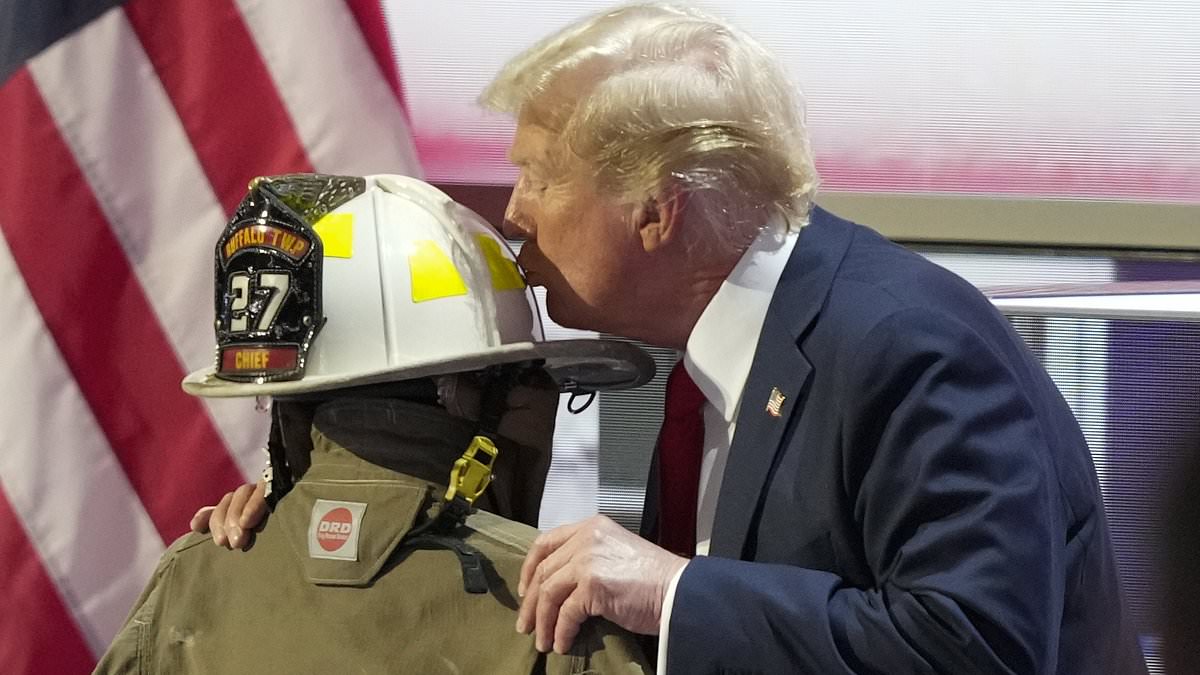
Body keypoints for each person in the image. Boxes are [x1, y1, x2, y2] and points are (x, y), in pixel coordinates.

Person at [201, 4, 1148, 673]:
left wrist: (675, 592)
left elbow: (977, 649)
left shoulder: (907, 345)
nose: (515, 213)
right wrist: (306, 503)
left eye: (538, 175)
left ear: (657, 211)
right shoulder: (716, 355)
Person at [95, 173, 655, 674]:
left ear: (291, 408)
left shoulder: (193, 582)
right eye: (537, 383)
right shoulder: (560, 619)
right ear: (481, 401)